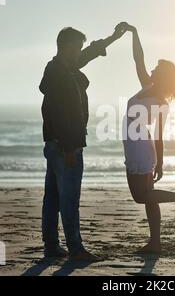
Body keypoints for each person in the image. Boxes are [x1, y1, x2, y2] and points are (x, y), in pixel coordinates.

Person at [121, 22, 175, 254]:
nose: (150, 70)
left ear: (162, 77)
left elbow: (159, 136)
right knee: (149, 197)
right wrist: (134, 32)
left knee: (141, 197)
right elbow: (138, 60)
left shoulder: (161, 102)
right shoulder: (147, 88)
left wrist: (160, 162)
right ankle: (155, 242)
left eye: (155, 70)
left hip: (141, 147)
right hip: (138, 144)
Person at [39, 25, 126, 262]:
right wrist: (69, 147)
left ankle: (51, 247)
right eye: (76, 47)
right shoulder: (59, 74)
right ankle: (75, 250)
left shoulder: (62, 68)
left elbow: (90, 52)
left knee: (54, 198)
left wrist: (112, 38)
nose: (79, 52)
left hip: (57, 144)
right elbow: (58, 112)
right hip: (66, 146)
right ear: (66, 47)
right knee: (68, 200)